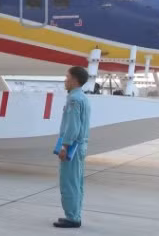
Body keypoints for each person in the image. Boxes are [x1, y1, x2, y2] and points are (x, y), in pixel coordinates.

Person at [54, 66, 91, 229]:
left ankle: (73, 218)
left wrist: (65, 146)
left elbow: (73, 126)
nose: (65, 80)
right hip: (81, 145)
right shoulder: (83, 97)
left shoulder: (74, 99)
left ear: (75, 80)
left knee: (68, 182)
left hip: (72, 146)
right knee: (76, 182)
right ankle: (74, 215)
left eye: (67, 77)